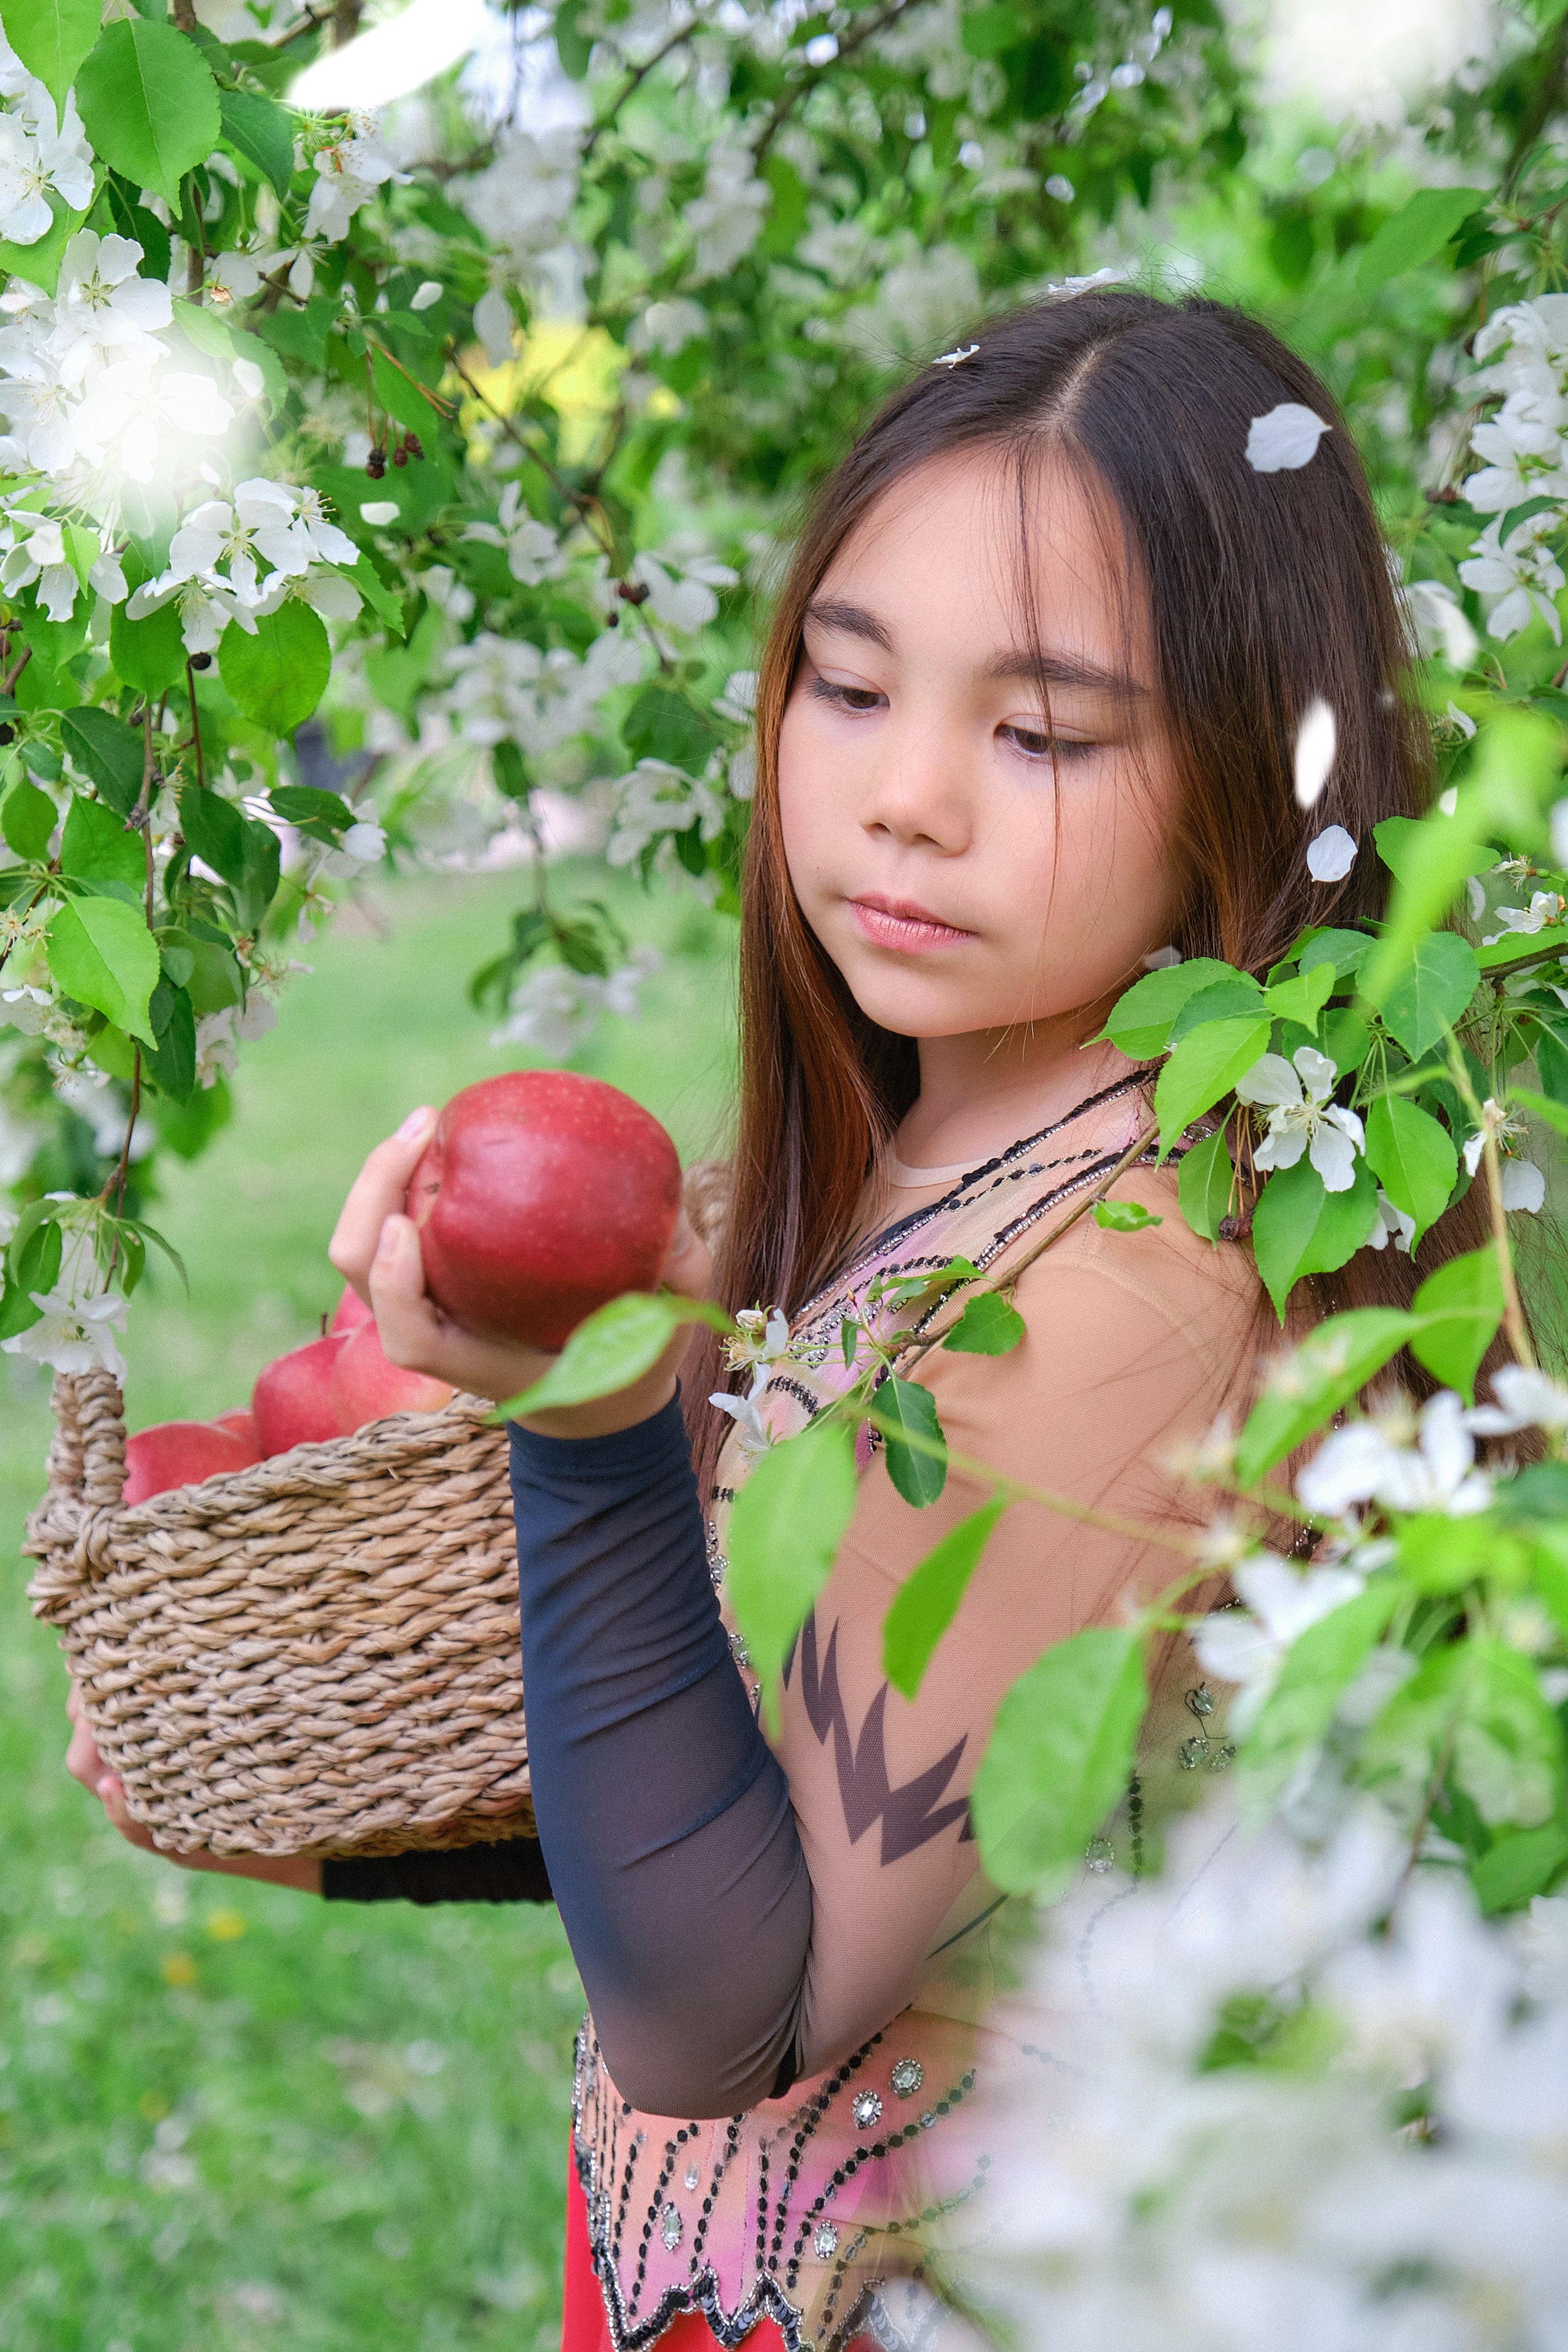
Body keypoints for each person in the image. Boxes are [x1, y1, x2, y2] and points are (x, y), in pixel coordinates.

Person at [68, 288, 1481, 2352]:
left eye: (1040, 732)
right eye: (847, 682)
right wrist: (348, 1843)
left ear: (1247, 764)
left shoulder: (1120, 1287)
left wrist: (595, 1439)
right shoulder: (924, 1153)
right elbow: (790, 1794)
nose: (904, 795)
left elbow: (726, 2012)